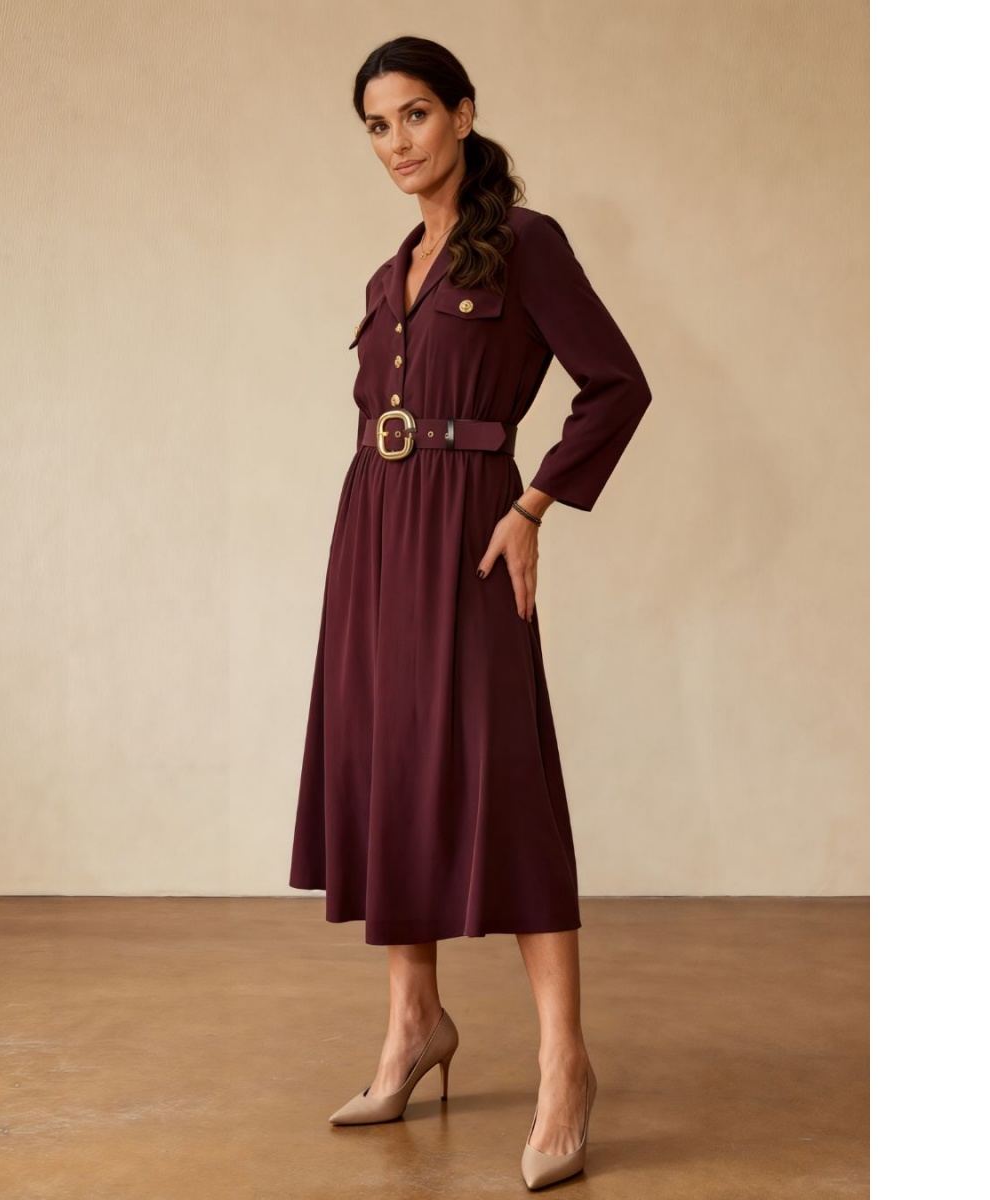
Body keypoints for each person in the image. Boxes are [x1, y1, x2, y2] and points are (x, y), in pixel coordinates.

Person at [288, 35, 653, 1190]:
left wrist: (534, 505)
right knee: (386, 765)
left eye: (414, 115)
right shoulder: (388, 274)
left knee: (507, 783)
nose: (396, 142)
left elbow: (618, 384)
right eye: (376, 125)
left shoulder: (526, 244)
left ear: (462, 112)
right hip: (372, 532)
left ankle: (564, 1064)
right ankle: (415, 1023)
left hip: (468, 534)